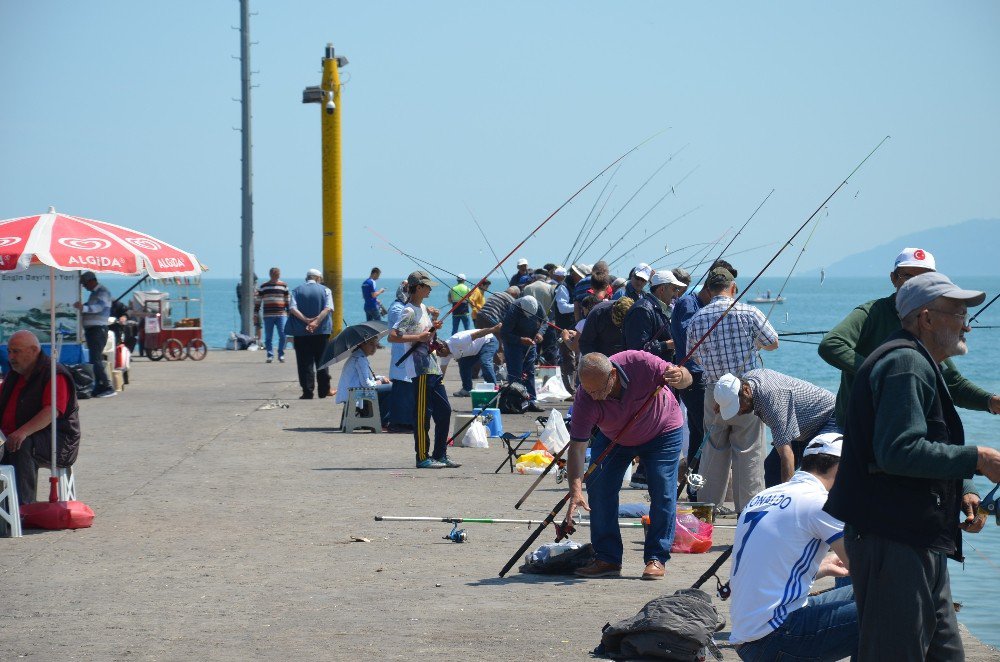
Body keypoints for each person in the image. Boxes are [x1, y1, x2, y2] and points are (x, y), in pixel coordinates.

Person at [824, 272, 1000, 660]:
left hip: (917, 537)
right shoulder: (904, 364)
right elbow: (898, 451)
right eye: (958, 313)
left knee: (945, 653)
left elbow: (924, 443)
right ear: (926, 318)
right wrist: (980, 459)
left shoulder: (918, 360)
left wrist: (964, 489)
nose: (968, 324)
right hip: (892, 539)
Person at [819, 247, 1000, 427]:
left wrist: (991, 402)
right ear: (893, 278)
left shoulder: (932, 324)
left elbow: (952, 382)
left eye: (924, 277)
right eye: (907, 275)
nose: (915, 283)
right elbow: (831, 344)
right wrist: (877, 373)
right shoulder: (872, 312)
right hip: (861, 427)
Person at [729, 433, 857, 661]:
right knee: (892, 607)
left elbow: (764, 570)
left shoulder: (764, 496)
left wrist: (821, 567)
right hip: (775, 638)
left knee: (859, 594)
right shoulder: (820, 502)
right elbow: (863, 567)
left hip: (747, 636)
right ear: (841, 468)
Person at [566, 351, 692, 579]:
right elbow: (577, 448)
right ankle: (607, 558)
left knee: (663, 489)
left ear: (613, 374)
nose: (595, 397)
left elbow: (687, 377)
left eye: (599, 390)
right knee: (599, 485)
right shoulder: (585, 397)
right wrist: (575, 490)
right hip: (615, 436)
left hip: (663, 429)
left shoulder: (641, 363)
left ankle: (656, 557)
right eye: (589, 391)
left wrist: (679, 376)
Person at [686, 266, 778, 515]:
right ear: (733, 287)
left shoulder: (698, 317)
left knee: (713, 451)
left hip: (714, 390)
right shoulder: (748, 312)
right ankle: (749, 513)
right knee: (748, 451)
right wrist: (753, 346)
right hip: (747, 392)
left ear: (708, 290)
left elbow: (692, 356)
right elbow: (773, 342)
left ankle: (706, 511)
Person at [670, 259, 734, 489]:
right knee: (708, 433)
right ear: (709, 287)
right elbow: (690, 337)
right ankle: (700, 488)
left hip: (701, 376)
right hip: (692, 377)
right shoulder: (689, 303)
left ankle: (694, 488)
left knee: (699, 433)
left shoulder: (701, 305)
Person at [713, 369, 837, 487]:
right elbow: (731, 390)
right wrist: (725, 403)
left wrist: (786, 496)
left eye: (738, 406)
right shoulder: (748, 379)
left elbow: (786, 455)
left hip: (827, 417)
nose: (738, 413)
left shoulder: (772, 403)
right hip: (799, 425)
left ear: (746, 390)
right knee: (773, 468)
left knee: (817, 470)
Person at [0, 330, 81, 504]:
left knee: (20, 444)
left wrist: (22, 432)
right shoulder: (14, 375)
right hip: (18, 434)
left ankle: (23, 508)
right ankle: (5, 509)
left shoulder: (54, 373)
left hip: (58, 438)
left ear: (33, 350)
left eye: (16, 351)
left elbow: (52, 411)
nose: (11, 356)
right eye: (9, 351)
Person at [389, 270, 459, 469]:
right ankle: (422, 457)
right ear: (418, 288)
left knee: (444, 410)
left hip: (433, 366)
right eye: (427, 286)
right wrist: (418, 338)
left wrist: (434, 326)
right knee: (422, 414)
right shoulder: (408, 311)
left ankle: (440, 454)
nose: (429, 289)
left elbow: (428, 337)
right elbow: (393, 336)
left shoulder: (424, 310)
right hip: (419, 369)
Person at [285, 269, 334, 400]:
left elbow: (292, 309)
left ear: (307, 278)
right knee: (322, 361)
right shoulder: (326, 290)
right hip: (321, 331)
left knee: (304, 362)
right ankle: (323, 391)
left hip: (301, 332)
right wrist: (316, 322)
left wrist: (306, 320)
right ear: (318, 278)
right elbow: (328, 308)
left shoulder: (296, 290)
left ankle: (307, 392)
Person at [623, 269, 687, 362]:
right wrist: (667, 345)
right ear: (662, 289)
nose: (676, 295)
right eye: (674, 289)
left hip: (658, 370)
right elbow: (637, 350)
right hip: (644, 373)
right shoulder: (642, 310)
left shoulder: (658, 308)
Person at [500, 295, 546, 413]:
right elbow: (504, 334)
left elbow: (545, 321)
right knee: (516, 373)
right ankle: (515, 401)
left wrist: (540, 333)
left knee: (529, 372)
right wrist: (520, 339)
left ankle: (531, 401)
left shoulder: (538, 305)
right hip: (513, 344)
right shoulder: (513, 310)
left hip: (530, 343)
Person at [73, 270, 116, 398]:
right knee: (94, 359)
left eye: (85, 284)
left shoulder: (102, 292)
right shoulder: (95, 294)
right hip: (93, 330)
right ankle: (99, 386)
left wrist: (83, 308)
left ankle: (108, 387)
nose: (85, 287)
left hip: (98, 330)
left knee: (96, 359)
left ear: (91, 281)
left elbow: (99, 307)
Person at [335, 337, 392, 428]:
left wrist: (380, 378)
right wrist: (379, 383)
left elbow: (365, 378)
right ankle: (382, 421)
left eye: (375, 344)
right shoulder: (360, 359)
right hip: (357, 393)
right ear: (362, 344)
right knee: (392, 388)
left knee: (387, 386)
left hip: (352, 391)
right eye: (371, 344)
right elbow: (366, 384)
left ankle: (372, 417)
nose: (374, 347)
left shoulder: (357, 356)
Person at [437, 325, 500, 397]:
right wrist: (438, 386)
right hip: (474, 350)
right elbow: (442, 372)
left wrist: (493, 329)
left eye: (439, 353)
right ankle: (467, 389)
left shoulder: (457, 340)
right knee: (464, 364)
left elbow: (478, 334)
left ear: (444, 348)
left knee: (485, 362)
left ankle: (493, 388)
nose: (439, 356)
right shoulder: (444, 354)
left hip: (488, 341)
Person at [386, 281, 414, 433]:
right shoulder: (397, 308)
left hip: (406, 353)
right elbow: (404, 328)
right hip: (402, 353)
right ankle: (399, 422)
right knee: (402, 389)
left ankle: (405, 421)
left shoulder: (404, 307)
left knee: (406, 388)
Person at [257, 267, 289, 363]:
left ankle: (281, 354)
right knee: (268, 337)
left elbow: (287, 300)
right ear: (270, 274)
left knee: (283, 335)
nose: (276, 275)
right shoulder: (263, 286)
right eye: (274, 274)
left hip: (281, 314)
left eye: (277, 274)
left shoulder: (283, 285)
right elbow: (258, 301)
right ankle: (270, 355)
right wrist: (255, 313)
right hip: (268, 315)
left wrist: (289, 312)